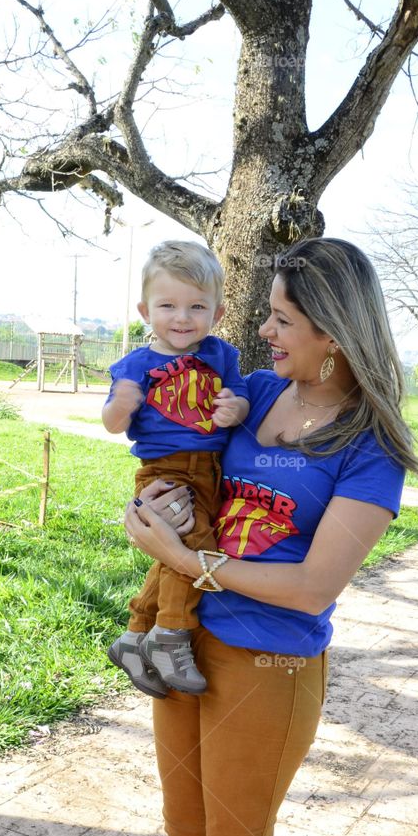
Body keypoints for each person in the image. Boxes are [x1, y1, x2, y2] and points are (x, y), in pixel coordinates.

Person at [123, 237, 418, 836]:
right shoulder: (252, 393)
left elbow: (310, 586)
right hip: (188, 645)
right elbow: (168, 447)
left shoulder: (367, 448)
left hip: (269, 670)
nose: (262, 330)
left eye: (282, 318)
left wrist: (191, 564)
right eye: (264, 313)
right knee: (184, 833)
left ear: (333, 333)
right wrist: (163, 509)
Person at [102, 241, 249, 696]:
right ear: (146, 310)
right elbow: (111, 423)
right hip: (165, 473)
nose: (182, 318)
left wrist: (235, 408)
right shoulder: (136, 365)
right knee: (195, 546)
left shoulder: (222, 355)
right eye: (168, 306)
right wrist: (121, 406)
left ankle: (133, 635)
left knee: (173, 554)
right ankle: (170, 634)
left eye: (196, 306)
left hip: (210, 470)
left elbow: (241, 396)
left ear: (217, 313)